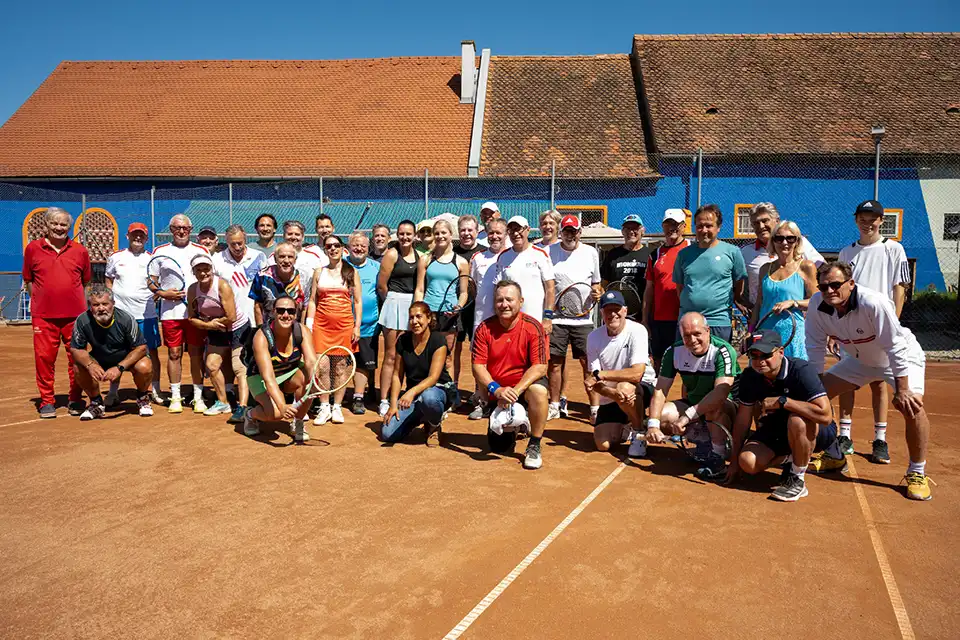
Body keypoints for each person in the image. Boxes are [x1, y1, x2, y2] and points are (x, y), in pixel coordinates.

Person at [806, 261, 933, 501]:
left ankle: (917, 473)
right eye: (824, 287)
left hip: (898, 356)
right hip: (859, 361)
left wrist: (903, 389)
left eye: (836, 285)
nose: (830, 291)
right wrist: (815, 386)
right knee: (816, 397)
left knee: (913, 406)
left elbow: (895, 347)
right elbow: (814, 347)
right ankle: (834, 454)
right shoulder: (816, 305)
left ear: (851, 284)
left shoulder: (873, 302)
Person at [836, 200, 912, 464]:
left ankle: (880, 440)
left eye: (873, 218)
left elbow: (899, 287)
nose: (867, 223)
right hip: (851, 329)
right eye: (863, 218)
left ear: (882, 221)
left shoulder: (893, 249)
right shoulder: (847, 252)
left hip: (881, 327)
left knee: (879, 382)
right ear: (856, 220)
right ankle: (844, 433)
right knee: (847, 379)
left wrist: (893, 324)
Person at [726, 330, 841, 502]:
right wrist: (734, 461)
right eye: (754, 355)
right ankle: (792, 457)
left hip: (815, 428)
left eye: (766, 354)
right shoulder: (750, 376)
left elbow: (825, 416)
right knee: (747, 462)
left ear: (780, 352)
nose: (759, 361)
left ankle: (797, 478)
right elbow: (743, 420)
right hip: (778, 430)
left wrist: (784, 402)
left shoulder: (801, 370)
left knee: (797, 420)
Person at [645, 311, 740, 478]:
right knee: (662, 416)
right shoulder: (673, 351)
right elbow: (660, 390)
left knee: (713, 407)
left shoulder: (723, 351)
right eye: (687, 335)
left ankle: (717, 458)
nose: (693, 340)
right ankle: (705, 441)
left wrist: (687, 417)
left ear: (708, 330)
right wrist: (653, 424)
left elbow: (720, 394)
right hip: (693, 405)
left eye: (697, 334)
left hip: (726, 408)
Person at [472, 280, 550, 470]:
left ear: (520, 301)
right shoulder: (484, 328)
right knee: (499, 447)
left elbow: (540, 367)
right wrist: (496, 389)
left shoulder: (533, 327)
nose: (504, 304)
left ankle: (534, 444)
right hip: (498, 392)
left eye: (509, 299)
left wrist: (514, 392)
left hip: (522, 389)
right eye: (499, 300)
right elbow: (478, 366)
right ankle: (518, 423)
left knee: (539, 391)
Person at [22, 207, 91, 418]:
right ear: (46, 225)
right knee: (44, 359)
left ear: (69, 227)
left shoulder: (80, 251)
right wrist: (42, 301)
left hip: (75, 317)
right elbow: (29, 280)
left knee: (77, 359)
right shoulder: (33, 249)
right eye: (54, 223)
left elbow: (86, 282)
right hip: (43, 317)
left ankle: (75, 398)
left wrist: (81, 308)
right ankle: (46, 401)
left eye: (63, 225)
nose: (59, 228)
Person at [148, 214, 208, 413]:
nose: (181, 231)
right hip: (169, 313)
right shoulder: (160, 252)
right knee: (174, 354)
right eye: (176, 228)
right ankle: (175, 396)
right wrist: (162, 293)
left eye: (185, 228)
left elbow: (208, 278)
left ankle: (198, 397)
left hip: (195, 313)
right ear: (171, 229)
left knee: (196, 354)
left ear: (191, 230)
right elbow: (151, 281)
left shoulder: (201, 250)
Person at [584, 291, 656, 455]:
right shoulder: (593, 337)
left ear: (625, 310)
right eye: (607, 310)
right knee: (603, 444)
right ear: (601, 312)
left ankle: (638, 432)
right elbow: (595, 382)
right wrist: (612, 393)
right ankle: (628, 421)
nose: (612, 314)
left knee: (625, 387)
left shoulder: (638, 330)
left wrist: (602, 375)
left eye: (616, 309)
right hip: (613, 395)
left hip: (642, 389)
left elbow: (636, 374)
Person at [547, 214, 602, 423]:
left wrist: (597, 293)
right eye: (566, 231)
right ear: (560, 233)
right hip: (557, 319)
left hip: (583, 320)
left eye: (574, 231)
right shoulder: (549, 252)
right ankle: (554, 405)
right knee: (555, 364)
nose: (570, 235)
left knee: (588, 364)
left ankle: (595, 408)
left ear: (580, 232)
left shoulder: (590, 253)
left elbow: (596, 284)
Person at [69, 284, 154, 420]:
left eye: (105, 304)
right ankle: (96, 402)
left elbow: (141, 348)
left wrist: (120, 367)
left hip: (126, 358)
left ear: (113, 304)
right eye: (96, 305)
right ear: (90, 305)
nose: (101, 308)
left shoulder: (126, 319)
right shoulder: (82, 320)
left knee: (145, 366)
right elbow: (76, 349)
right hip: (100, 357)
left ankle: (142, 397)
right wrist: (91, 365)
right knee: (79, 366)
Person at [244, 294, 317, 443]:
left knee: (308, 382)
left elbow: (310, 361)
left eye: (291, 311)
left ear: (296, 314)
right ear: (273, 312)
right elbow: (268, 377)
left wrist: (313, 381)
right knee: (276, 414)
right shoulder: (262, 336)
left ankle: (298, 422)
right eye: (281, 310)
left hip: (288, 372)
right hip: (259, 377)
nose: (286, 315)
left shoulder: (302, 331)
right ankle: (250, 415)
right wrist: (282, 406)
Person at [104, 222, 163, 406]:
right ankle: (113, 392)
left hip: (147, 316)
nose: (138, 238)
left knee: (151, 353)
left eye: (142, 235)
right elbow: (108, 279)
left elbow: (158, 282)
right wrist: (114, 301)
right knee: (117, 353)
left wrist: (156, 295)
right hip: (121, 317)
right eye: (134, 234)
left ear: (146, 238)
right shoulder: (116, 257)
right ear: (127, 236)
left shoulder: (153, 259)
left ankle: (155, 389)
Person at [212, 224, 266, 421]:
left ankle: (254, 398)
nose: (238, 247)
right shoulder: (217, 260)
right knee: (233, 360)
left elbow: (265, 286)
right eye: (233, 244)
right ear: (226, 242)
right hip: (230, 321)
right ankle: (231, 395)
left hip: (254, 318)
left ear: (245, 239)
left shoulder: (259, 257)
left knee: (253, 360)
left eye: (241, 243)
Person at [187, 253, 251, 417]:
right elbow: (192, 317)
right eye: (198, 270)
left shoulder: (222, 286)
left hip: (238, 329)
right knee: (212, 365)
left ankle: (243, 407)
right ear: (193, 272)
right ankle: (223, 403)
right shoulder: (193, 290)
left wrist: (210, 324)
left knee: (239, 368)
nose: (203, 273)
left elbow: (231, 317)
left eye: (206, 269)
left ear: (212, 269)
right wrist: (209, 325)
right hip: (216, 329)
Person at [307, 234, 361, 425]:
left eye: (336, 245)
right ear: (324, 249)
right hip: (321, 326)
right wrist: (309, 324)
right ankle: (324, 406)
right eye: (328, 246)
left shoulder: (351, 272)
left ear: (342, 248)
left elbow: (357, 301)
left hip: (344, 326)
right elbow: (313, 300)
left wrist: (356, 326)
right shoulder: (318, 272)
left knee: (339, 368)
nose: (332, 249)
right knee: (321, 367)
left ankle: (337, 406)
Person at [381, 302, 454, 445]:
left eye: (419, 317)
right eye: (411, 318)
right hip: (415, 397)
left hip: (439, 390)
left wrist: (410, 392)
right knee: (387, 434)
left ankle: (434, 425)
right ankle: (421, 417)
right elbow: (397, 375)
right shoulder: (403, 340)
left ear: (428, 318)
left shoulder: (438, 340)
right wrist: (394, 404)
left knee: (429, 398)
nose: (414, 322)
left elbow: (433, 378)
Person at [673, 205, 748, 343]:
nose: (704, 230)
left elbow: (740, 281)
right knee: (685, 363)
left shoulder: (732, 252)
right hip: (688, 322)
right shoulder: (684, 254)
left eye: (709, 225)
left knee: (718, 363)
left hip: (718, 322)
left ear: (718, 227)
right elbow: (680, 287)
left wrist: (735, 298)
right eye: (700, 226)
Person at [748, 220, 817, 359]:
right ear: (773, 242)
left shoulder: (806, 267)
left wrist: (793, 302)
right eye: (779, 238)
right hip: (766, 330)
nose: (784, 243)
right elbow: (759, 303)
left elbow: (816, 301)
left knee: (794, 373)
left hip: (793, 331)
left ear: (797, 241)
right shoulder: (765, 269)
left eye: (790, 238)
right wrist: (750, 330)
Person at [415, 219, 470, 385]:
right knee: (426, 354)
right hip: (429, 314)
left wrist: (458, 307)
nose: (440, 236)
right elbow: (419, 289)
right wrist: (418, 312)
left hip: (449, 315)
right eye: (436, 233)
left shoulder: (461, 262)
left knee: (447, 357)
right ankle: (427, 391)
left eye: (443, 232)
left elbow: (464, 292)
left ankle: (449, 395)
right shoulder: (425, 260)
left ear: (450, 235)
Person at [741, 202, 824, 307]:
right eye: (756, 223)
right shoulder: (745, 252)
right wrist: (745, 306)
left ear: (777, 220)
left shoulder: (797, 242)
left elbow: (822, 270)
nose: (761, 226)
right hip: (762, 315)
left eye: (765, 221)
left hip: (796, 315)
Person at [377, 220, 419, 417]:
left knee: (409, 355)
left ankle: (405, 395)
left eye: (408, 234)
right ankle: (384, 400)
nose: (405, 237)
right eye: (401, 233)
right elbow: (382, 285)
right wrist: (393, 303)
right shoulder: (392, 254)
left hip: (414, 307)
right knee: (391, 355)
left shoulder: (420, 256)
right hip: (394, 303)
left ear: (415, 235)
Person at [467, 218, 508, 420]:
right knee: (480, 360)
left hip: (505, 321)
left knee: (505, 360)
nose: (495, 236)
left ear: (506, 233)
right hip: (481, 319)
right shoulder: (477, 257)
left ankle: (505, 403)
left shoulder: (511, 256)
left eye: (499, 232)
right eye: (491, 233)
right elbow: (473, 287)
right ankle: (481, 401)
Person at [642, 209, 691, 373]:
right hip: (660, 319)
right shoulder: (655, 255)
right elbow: (649, 290)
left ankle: (688, 399)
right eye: (668, 224)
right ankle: (657, 398)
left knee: (688, 364)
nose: (672, 228)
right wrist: (645, 320)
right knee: (659, 363)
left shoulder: (692, 250)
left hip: (685, 318)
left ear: (684, 226)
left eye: (676, 224)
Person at [493, 216, 555, 331]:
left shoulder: (541, 255)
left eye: (519, 229)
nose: (515, 233)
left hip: (536, 322)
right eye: (511, 230)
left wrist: (547, 317)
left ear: (528, 229)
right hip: (510, 324)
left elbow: (550, 288)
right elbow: (497, 289)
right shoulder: (503, 257)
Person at [346, 231, 381, 415]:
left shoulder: (376, 267)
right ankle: (338, 397)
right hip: (342, 325)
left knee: (362, 363)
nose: (358, 248)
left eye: (363, 246)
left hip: (369, 326)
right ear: (348, 247)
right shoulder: (341, 265)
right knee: (341, 362)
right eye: (355, 245)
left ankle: (358, 397)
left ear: (368, 249)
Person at [452, 215, 485, 399]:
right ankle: (453, 390)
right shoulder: (451, 252)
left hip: (477, 311)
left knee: (478, 353)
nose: (466, 233)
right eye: (463, 230)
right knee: (453, 350)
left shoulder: (485, 253)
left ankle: (478, 391)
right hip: (454, 310)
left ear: (477, 231)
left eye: (470, 230)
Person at [249, 242, 312, 325]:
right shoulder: (262, 276)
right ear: (275, 259)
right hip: (270, 327)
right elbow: (257, 306)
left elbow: (305, 306)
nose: (286, 260)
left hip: (294, 327)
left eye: (290, 257)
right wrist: (260, 329)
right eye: (282, 257)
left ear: (295, 260)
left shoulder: (304, 277)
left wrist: (303, 328)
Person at [601, 213, 650, 312]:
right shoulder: (612, 255)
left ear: (642, 231)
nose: (631, 232)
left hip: (642, 313)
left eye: (635, 228)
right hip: (617, 312)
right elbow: (603, 285)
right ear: (622, 232)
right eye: (627, 228)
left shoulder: (650, 255)